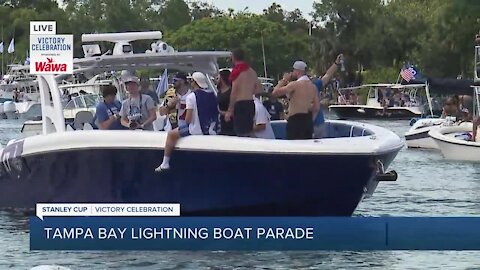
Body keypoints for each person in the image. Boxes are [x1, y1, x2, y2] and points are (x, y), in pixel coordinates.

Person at [155, 72, 219, 171]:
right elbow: (161, 113)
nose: (173, 83)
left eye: (176, 81)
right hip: (171, 127)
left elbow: (189, 118)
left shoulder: (191, 95)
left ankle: (165, 162)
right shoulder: (170, 94)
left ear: (184, 81)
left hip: (187, 127)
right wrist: (169, 105)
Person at [272, 60, 320, 140]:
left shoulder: (294, 85)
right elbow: (316, 108)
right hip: (307, 121)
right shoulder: (313, 87)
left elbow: (274, 93)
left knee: (293, 146)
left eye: (293, 71)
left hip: (295, 121)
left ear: (297, 71)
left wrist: (283, 80)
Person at [225, 48, 263, 137]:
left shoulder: (236, 72)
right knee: (249, 130)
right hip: (250, 103)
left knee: (241, 132)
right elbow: (259, 89)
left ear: (233, 58)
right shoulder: (252, 71)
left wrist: (230, 110)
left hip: (240, 104)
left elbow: (234, 91)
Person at [311, 54, 343, 138]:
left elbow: (328, 75)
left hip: (314, 124)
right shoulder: (314, 85)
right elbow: (328, 75)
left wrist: (336, 63)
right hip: (317, 123)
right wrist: (336, 63)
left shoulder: (314, 84)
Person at [216, 69, 235, 135]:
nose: (216, 80)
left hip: (231, 124)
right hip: (222, 123)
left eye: (218, 78)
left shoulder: (231, 92)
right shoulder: (219, 92)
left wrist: (222, 112)